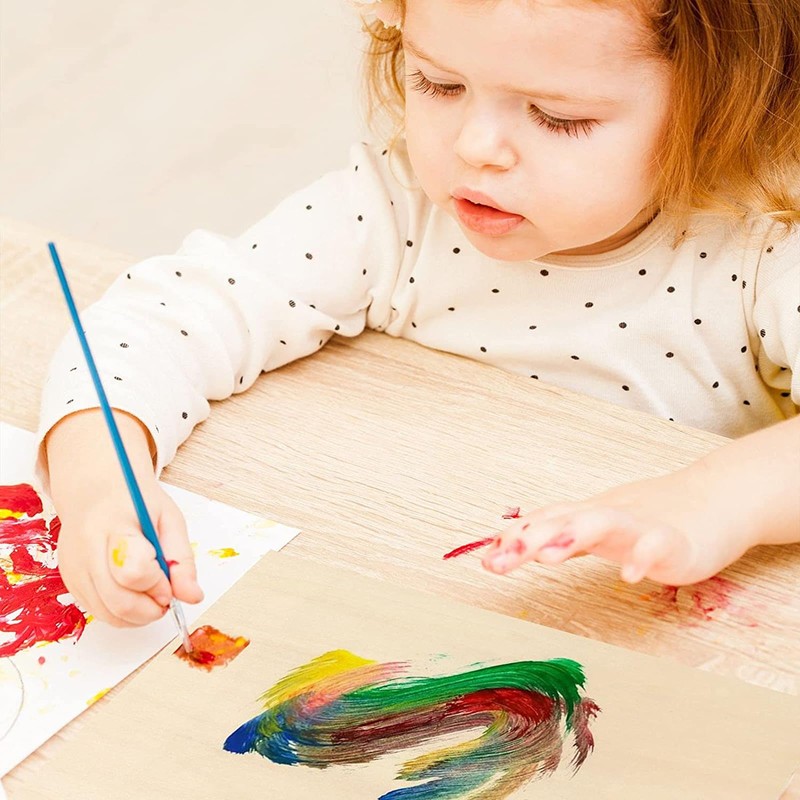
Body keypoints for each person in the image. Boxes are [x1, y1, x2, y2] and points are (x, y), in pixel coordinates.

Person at [39, 0, 799, 627]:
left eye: (556, 116)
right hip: (403, 596)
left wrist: (711, 500)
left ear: (725, 108)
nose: (475, 146)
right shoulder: (395, 208)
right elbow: (160, 320)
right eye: (438, 83)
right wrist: (98, 482)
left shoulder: (765, 244)